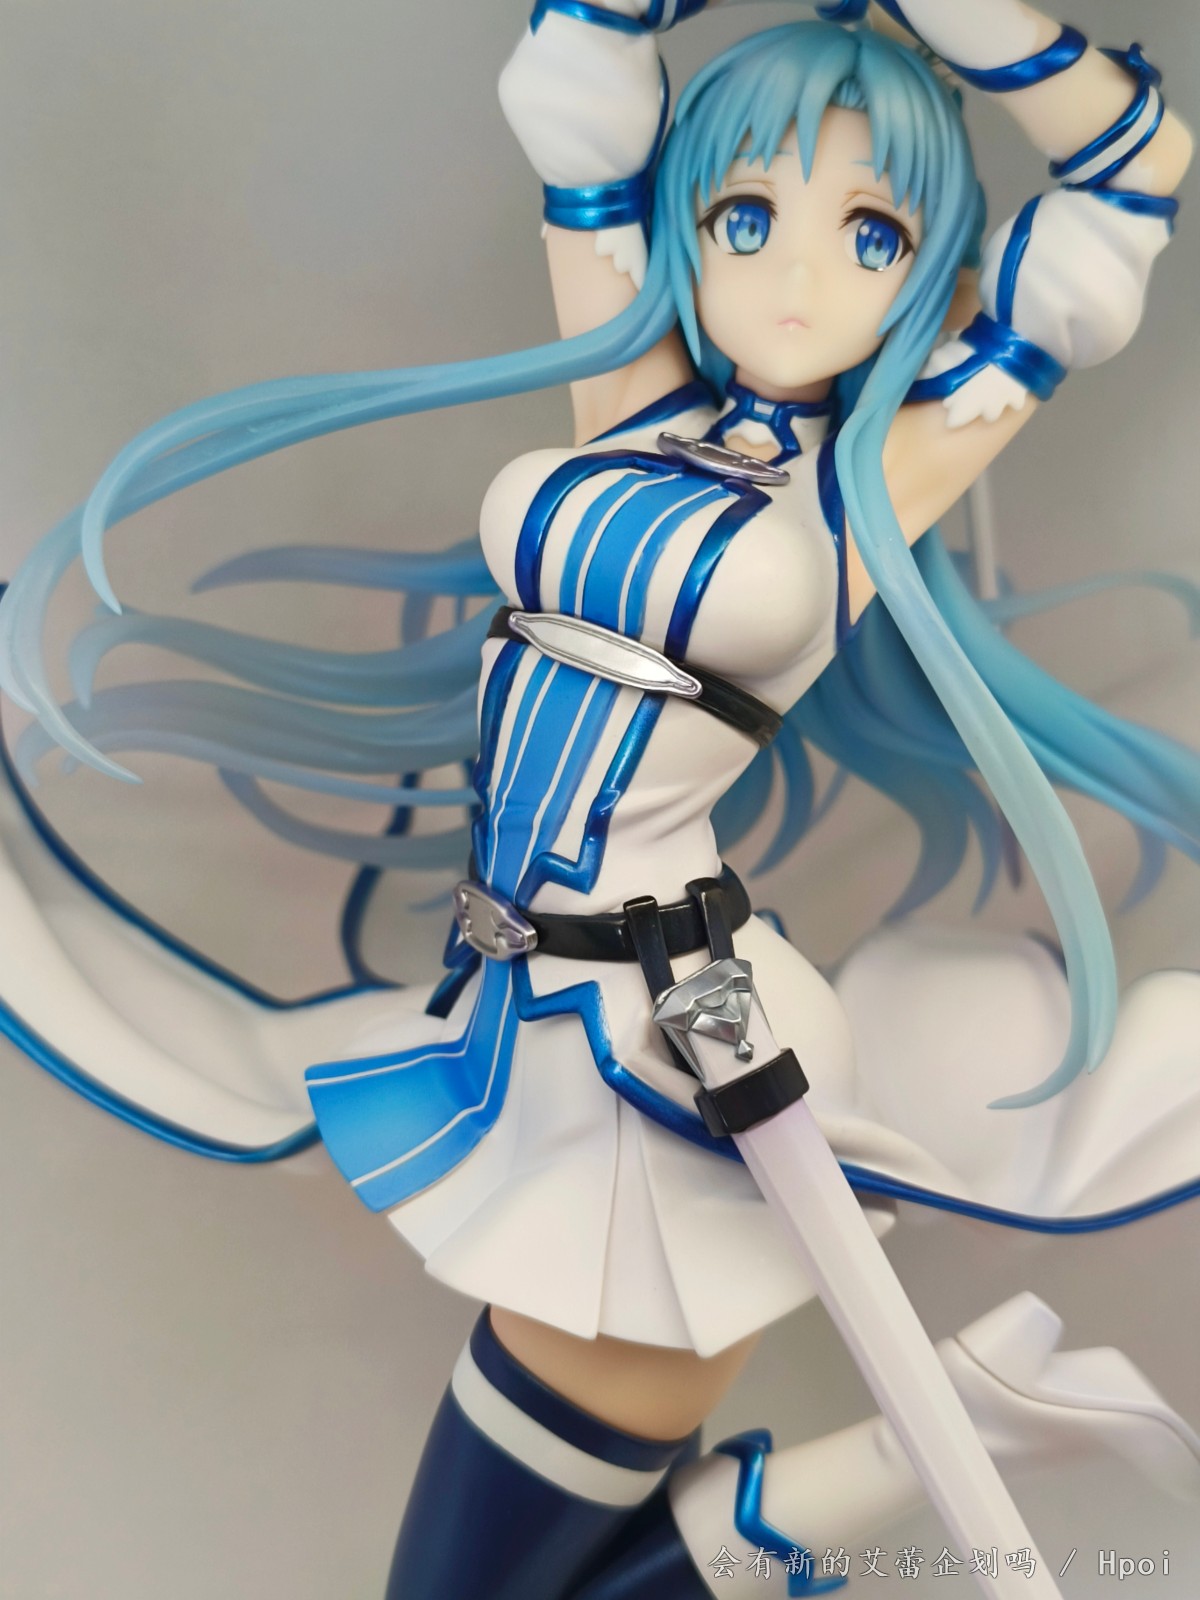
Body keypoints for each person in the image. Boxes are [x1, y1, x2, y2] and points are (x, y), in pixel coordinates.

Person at [1, 3, 1198, 1597]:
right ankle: (965, 1422)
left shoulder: (873, 482)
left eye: (873, 234)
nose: (793, 277)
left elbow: (1131, 175)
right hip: (529, 1012)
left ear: (931, 277)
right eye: (746, 216)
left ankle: (964, 1428)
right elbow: (581, 58)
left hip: (677, 1054)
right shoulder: (632, 394)